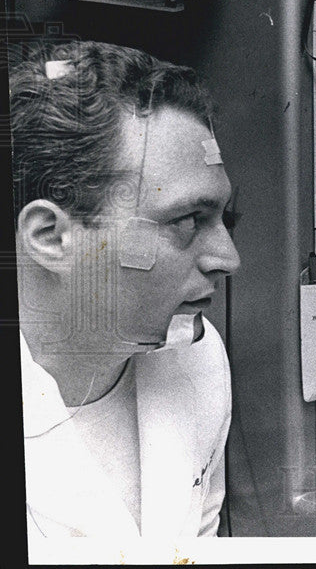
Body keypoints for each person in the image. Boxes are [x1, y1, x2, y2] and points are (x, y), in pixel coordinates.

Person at [12, 41, 241, 538]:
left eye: (226, 218)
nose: (229, 259)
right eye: (187, 220)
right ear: (51, 238)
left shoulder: (199, 361)